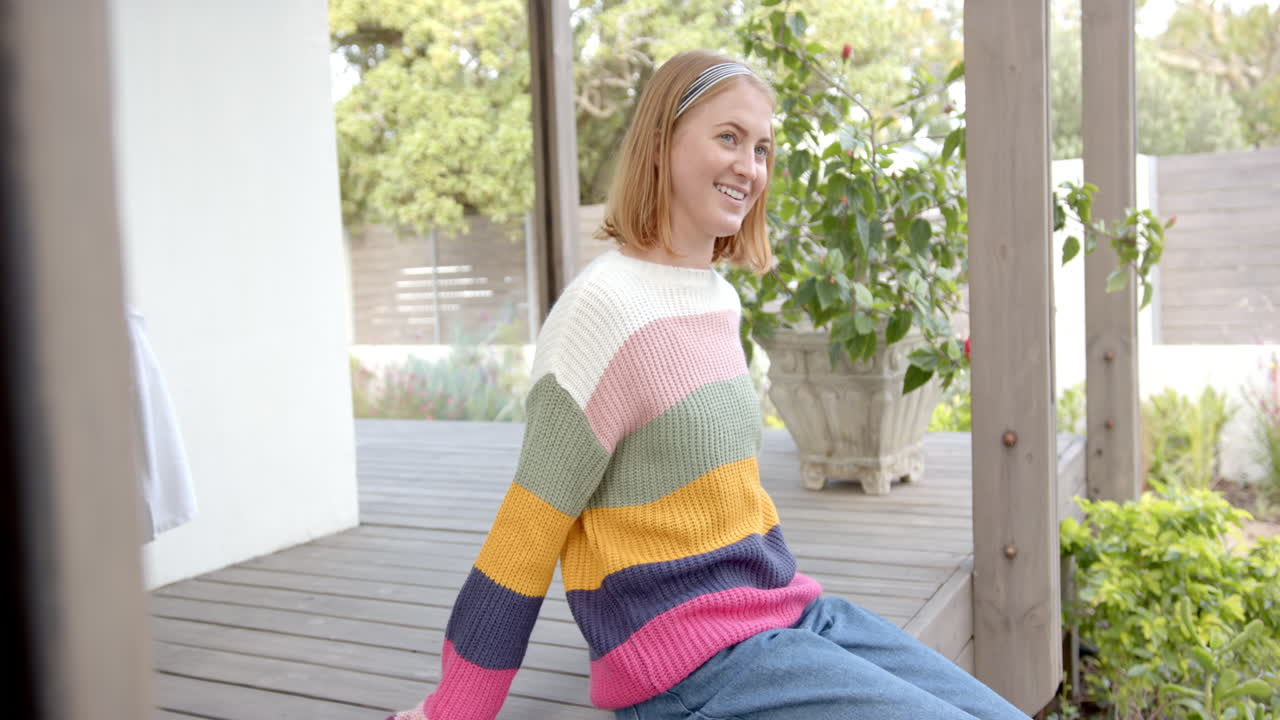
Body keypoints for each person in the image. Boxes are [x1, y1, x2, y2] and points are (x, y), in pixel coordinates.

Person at [387, 50, 1029, 720]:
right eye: (728, 137)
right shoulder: (600, 311)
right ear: (662, 142)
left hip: (787, 617)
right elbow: (526, 533)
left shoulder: (718, 299)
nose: (749, 167)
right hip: (691, 668)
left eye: (762, 149)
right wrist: (452, 711)